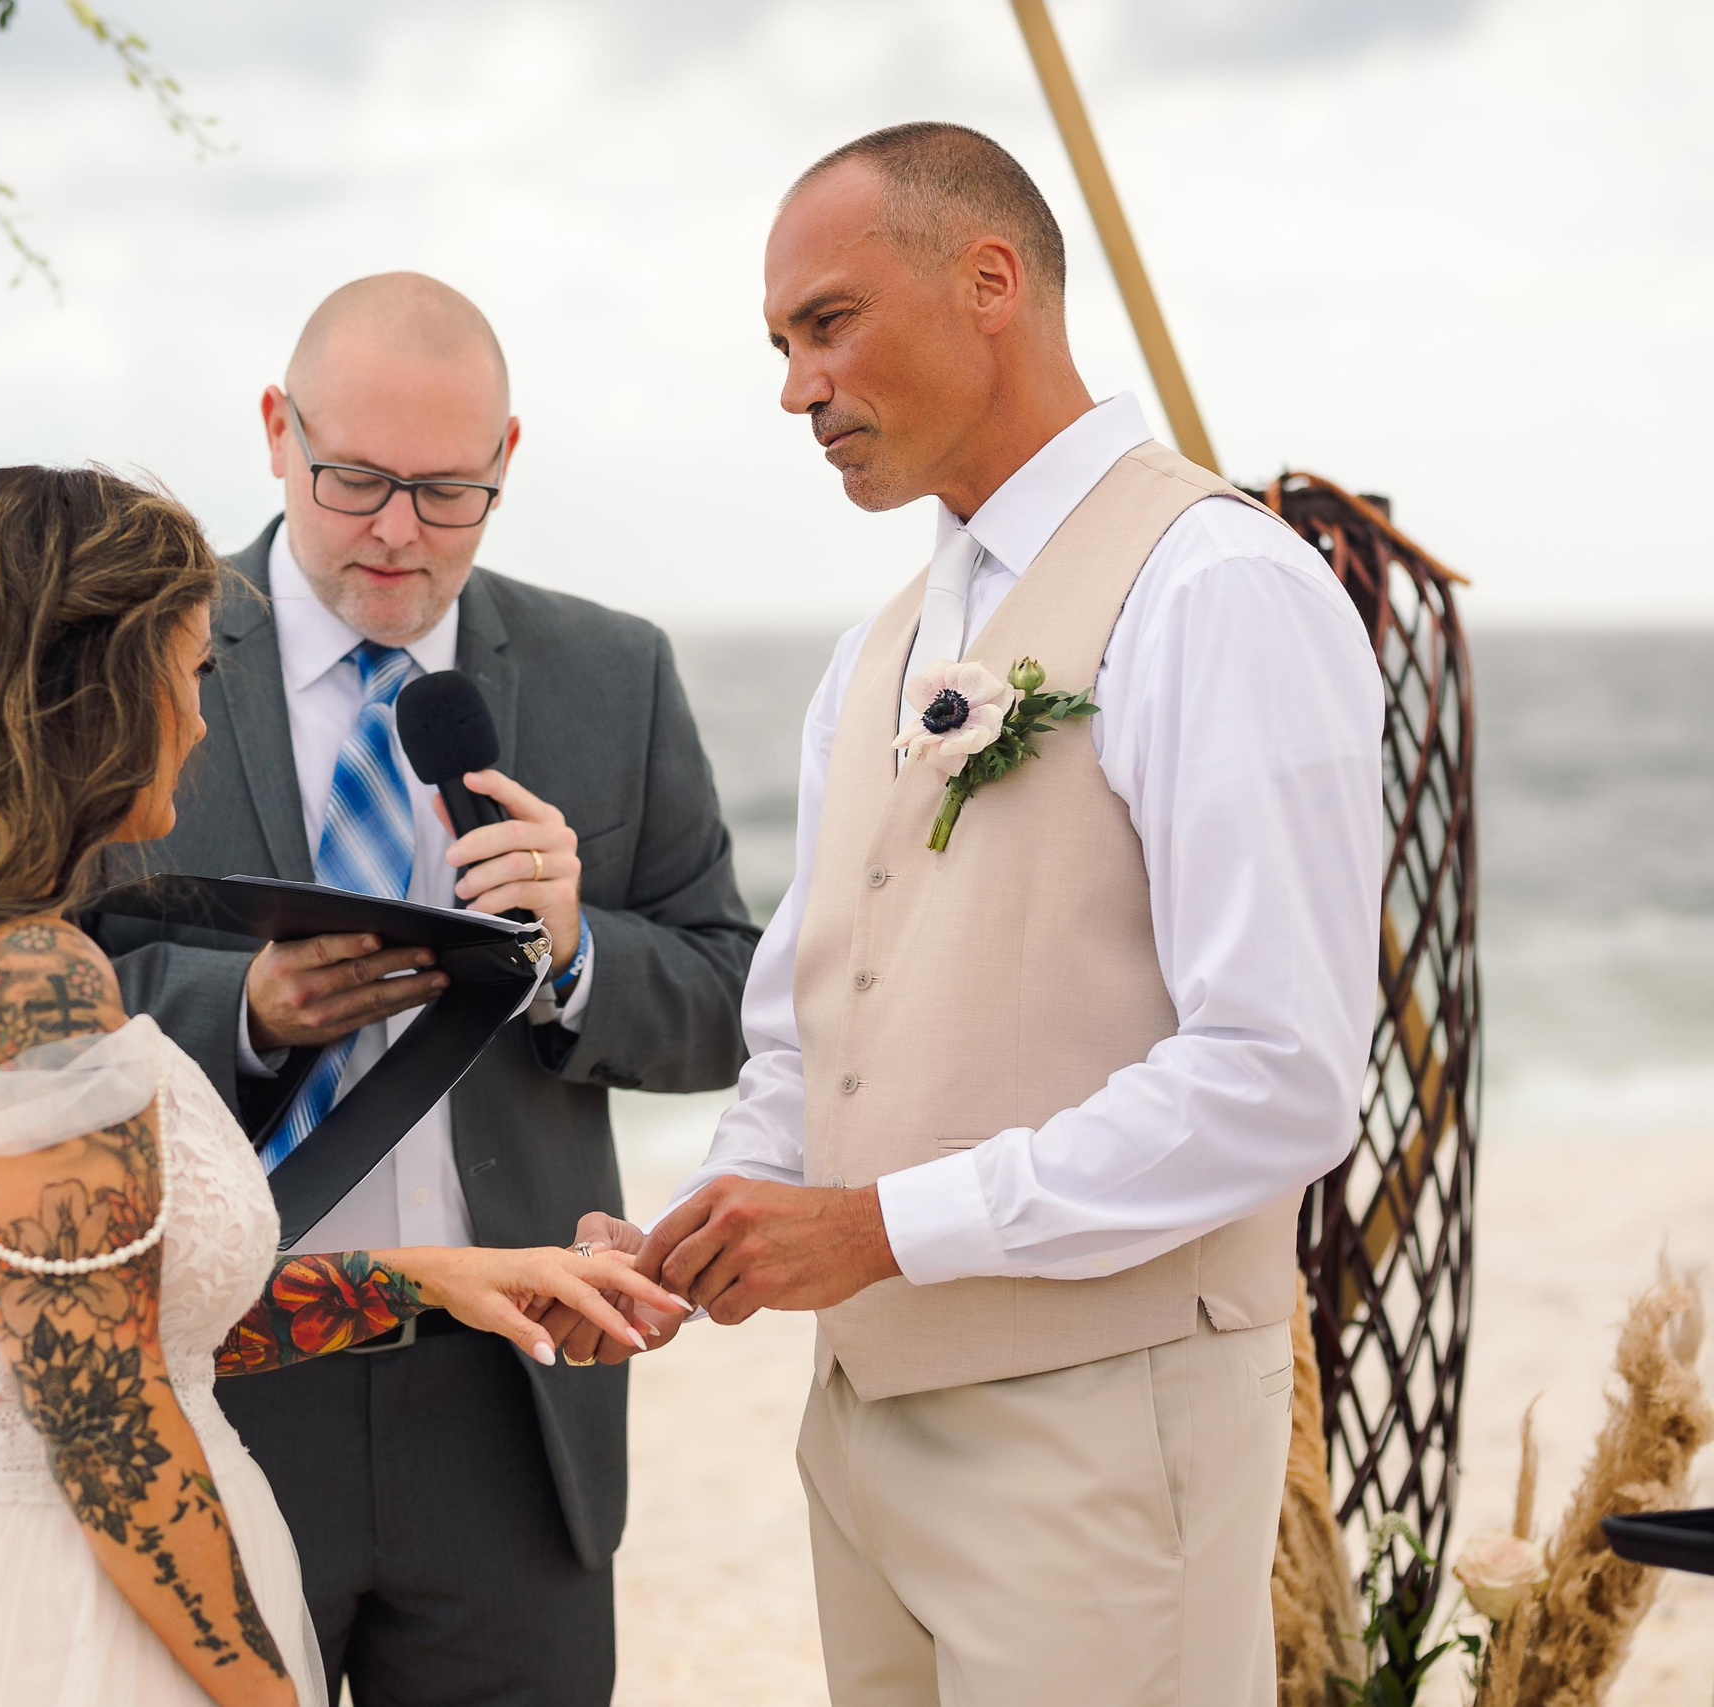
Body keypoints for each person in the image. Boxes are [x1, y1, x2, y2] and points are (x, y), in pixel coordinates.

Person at [0, 465, 686, 1707]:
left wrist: (434, 1277)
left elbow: (108, 1322)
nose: (199, 720)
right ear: (100, 696)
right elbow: (106, 1415)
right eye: (188, 674)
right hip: (63, 1618)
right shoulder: (30, 981)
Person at [581, 125, 1384, 1704]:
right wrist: (713, 1223)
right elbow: (821, 1021)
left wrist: (878, 1227)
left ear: (990, 282)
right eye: (783, 345)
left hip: (1104, 1431)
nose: (797, 389)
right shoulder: (879, 642)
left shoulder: (1214, 586)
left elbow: (1281, 1072)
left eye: (828, 324)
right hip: (865, 1432)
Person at [85, 273, 756, 1705]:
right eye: (357, 480)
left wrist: (577, 953)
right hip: (219, 1363)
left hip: (513, 1392)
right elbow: (38, 984)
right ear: (276, 431)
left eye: (448, 491)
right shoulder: (130, 649)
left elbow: (727, 991)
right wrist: (248, 1011)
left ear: (509, 457)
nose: (398, 529)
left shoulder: (612, 672)